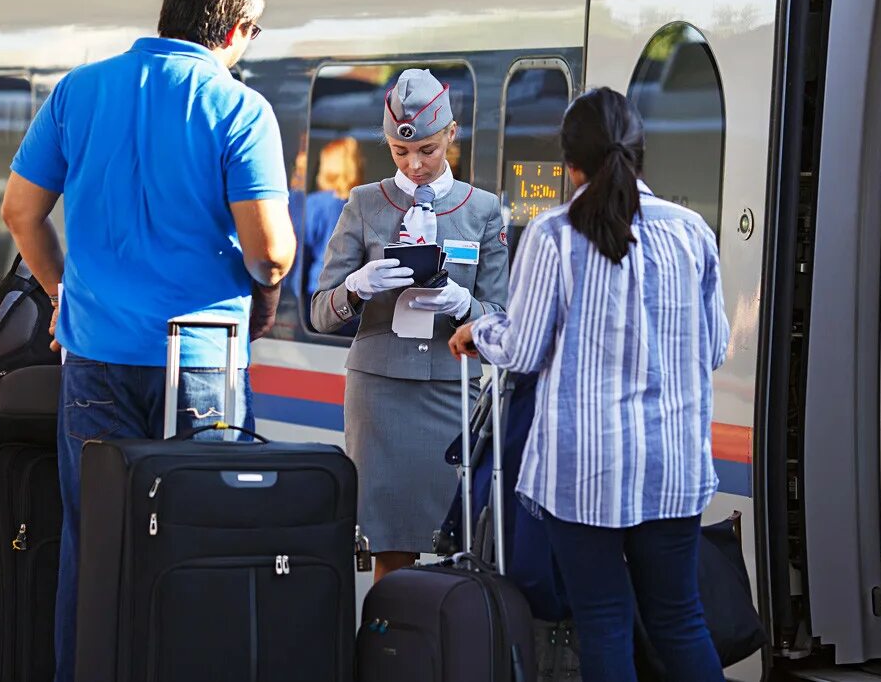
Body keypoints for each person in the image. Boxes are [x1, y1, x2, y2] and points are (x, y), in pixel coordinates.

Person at [0, 0, 295, 682]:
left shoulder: (79, 92)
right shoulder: (238, 108)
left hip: (95, 356)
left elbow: (20, 211)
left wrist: (62, 287)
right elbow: (271, 252)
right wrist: (269, 289)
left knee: (96, 536)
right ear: (235, 30)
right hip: (202, 358)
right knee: (201, 535)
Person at [449, 87, 729, 682]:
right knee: (681, 620)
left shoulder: (554, 234)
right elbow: (713, 348)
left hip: (584, 472)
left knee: (603, 622)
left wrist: (481, 331)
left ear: (570, 164)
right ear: (640, 153)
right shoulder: (692, 233)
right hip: (672, 466)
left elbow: (522, 350)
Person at [310, 68, 508, 581]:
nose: (414, 165)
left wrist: (462, 303)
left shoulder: (483, 211)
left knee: (456, 550)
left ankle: (442, 656)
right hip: (379, 394)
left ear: (451, 134)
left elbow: (502, 321)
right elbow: (318, 309)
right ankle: (387, 654)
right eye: (400, 153)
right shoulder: (364, 204)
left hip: (450, 391)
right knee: (390, 549)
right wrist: (357, 287)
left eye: (426, 150)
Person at [303, 136, 365, 296]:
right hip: (355, 291)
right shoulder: (365, 203)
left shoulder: (314, 204)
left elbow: (302, 253)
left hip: (319, 289)